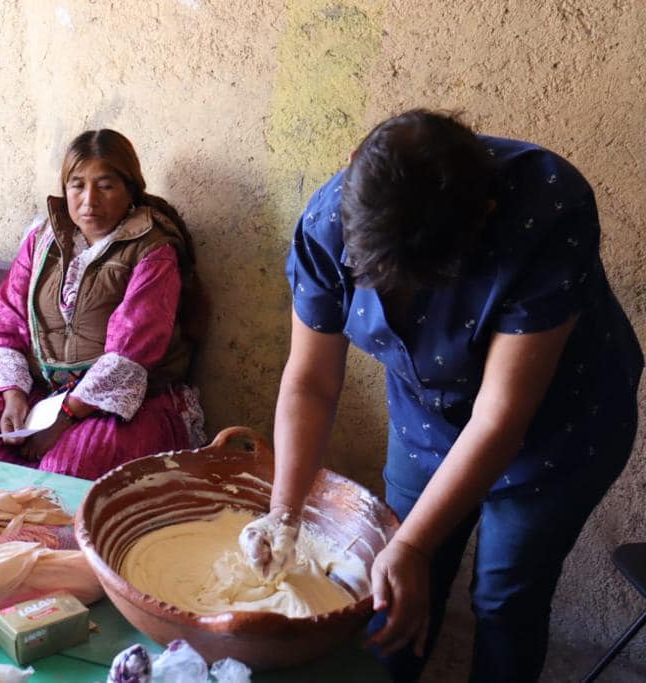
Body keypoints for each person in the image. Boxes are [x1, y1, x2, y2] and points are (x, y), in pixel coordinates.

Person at [240, 110, 642, 682]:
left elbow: (501, 417)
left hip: (558, 428)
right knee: (390, 582)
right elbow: (311, 380)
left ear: (485, 217)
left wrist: (415, 546)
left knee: (503, 600)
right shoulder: (333, 217)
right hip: (426, 421)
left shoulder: (548, 208)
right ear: (351, 171)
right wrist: (284, 514)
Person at [0, 129, 207, 480]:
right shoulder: (42, 239)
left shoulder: (153, 251)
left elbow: (130, 356)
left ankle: (48, 536)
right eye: (77, 185)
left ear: (130, 190)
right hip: (41, 388)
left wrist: (64, 417)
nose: (89, 201)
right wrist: (14, 395)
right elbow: (8, 321)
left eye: (106, 185)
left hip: (121, 400)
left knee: (70, 463)